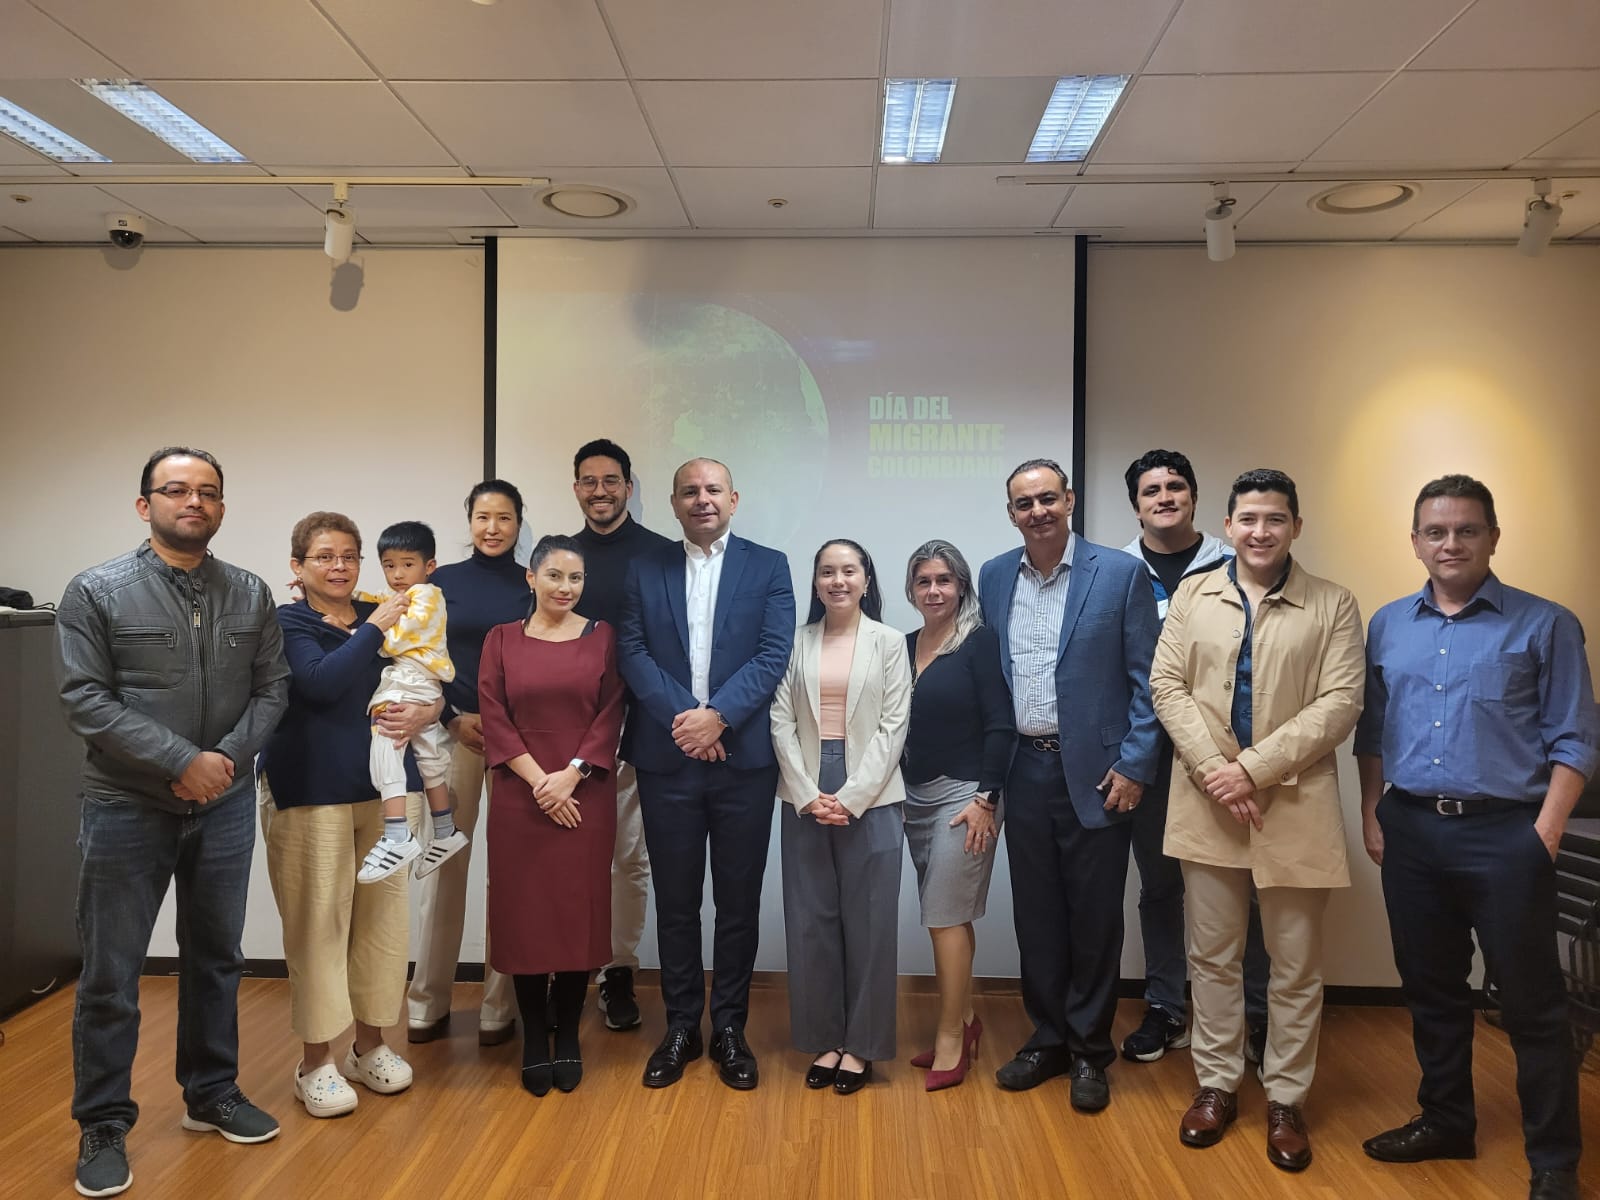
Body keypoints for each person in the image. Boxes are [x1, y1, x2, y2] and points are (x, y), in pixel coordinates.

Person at [1357, 474, 1598, 1200]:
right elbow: (1371, 730)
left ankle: (1554, 1160)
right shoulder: (1389, 624)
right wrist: (1373, 809)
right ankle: (1446, 1121)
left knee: (1531, 1003)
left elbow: (1577, 738)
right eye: (1436, 531)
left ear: (1494, 536)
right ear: (1415, 541)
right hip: (1412, 830)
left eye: (1466, 530)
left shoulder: (1545, 623)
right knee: (1431, 990)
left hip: (1507, 836)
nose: (1451, 543)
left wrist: (1545, 833)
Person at [57, 447, 290, 1198]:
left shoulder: (250, 593)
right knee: (112, 974)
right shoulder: (96, 591)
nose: (194, 501)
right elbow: (86, 698)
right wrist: (178, 761)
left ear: (222, 507)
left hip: (221, 805)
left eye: (209, 492)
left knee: (217, 957)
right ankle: (102, 1123)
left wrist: (219, 761)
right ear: (144, 504)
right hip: (127, 804)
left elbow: (272, 691)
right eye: (177, 490)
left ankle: (211, 1093)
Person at [1151, 469, 1364, 1173]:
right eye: (1248, 518)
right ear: (1229, 524)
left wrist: (1252, 770)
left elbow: (1339, 704)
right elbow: (1166, 685)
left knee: (1295, 968)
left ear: (1296, 526)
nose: (1261, 531)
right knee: (1211, 958)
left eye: (1275, 518)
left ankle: (1286, 1098)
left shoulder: (1332, 604)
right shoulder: (1193, 593)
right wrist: (1218, 769)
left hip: (1294, 807)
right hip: (1206, 802)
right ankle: (1216, 1086)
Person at [977, 458, 1161, 1112]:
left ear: (1070, 500)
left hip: (1098, 774)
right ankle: (1048, 1037)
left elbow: (1150, 681)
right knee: (1038, 915)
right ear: (1012, 514)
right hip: (1024, 769)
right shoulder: (995, 576)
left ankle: (1090, 1051)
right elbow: (992, 681)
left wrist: (1136, 764)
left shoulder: (1119, 573)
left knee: (1093, 918)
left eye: (1048, 499)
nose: (1038, 512)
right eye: (1024, 504)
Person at [618, 457, 795, 1090]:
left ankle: (729, 1028)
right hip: (669, 760)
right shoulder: (645, 568)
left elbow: (775, 652)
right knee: (676, 900)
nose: (702, 500)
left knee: (739, 901)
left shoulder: (768, 565)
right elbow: (632, 653)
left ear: (734, 498)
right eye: (690, 491)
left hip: (743, 759)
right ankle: (680, 1026)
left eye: (713, 489)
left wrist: (717, 717)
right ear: (672, 503)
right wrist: (688, 722)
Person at [261, 512, 437, 1121]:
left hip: (388, 794)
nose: (339, 568)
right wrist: (374, 628)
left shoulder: (379, 616)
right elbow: (318, 684)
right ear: (298, 567)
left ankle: (371, 1047)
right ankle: (316, 1062)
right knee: (318, 926)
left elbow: (427, 673)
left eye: (350, 556)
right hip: (311, 793)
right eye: (325, 557)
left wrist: (429, 708)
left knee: (383, 927)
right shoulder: (286, 622)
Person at [1119, 450, 1271, 1066]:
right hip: (1154, 761)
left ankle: (1254, 1015)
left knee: (1251, 889)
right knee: (1159, 888)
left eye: (1175, 486)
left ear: (1195, 496)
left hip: (1232, 760)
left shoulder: (1237, 560)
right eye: (1151, 490)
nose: (1164, 497)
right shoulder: (1116, 570)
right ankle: (1165, 1006)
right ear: (1137, 504)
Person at [478, 535, 625, 1095]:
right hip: (521, 796)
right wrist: (541, 781)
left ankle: (569, 1035)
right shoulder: (501, 640)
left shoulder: (603, 637)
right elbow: (492, 713)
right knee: (525, 915)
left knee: (575, 914)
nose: (566, 588)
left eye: (576, 578)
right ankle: (535, 1036)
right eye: (556, 576)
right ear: (531, 578)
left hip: (584, 793)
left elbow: (611, 713)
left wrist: (571, 775)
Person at [771, 539, 912, 1095]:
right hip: (803, 788)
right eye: (827, 572)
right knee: (810, 922)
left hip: (873, 793)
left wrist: (851, 797)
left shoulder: (889, 643)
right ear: (815, 581)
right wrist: (808, 793)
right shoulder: (795, 641)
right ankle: (824, 1039)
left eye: (848, 571)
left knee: (871, 924)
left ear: (865, 579)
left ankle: (863, 1046)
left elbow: (893, 725)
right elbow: (780, 720)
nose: (837, 581)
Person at [408, 480, 529, 1047]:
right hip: (452, 738)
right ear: (470, 520)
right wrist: (453, 717)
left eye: (504, 518)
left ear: (517, 523)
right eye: (483, 516)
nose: (492, 528)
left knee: (510, 874)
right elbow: (417, 655)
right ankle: (426, 1001)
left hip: (517, 747)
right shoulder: (441, 583)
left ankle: (497, 1008)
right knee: (443, 867)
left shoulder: (533, 584)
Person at [569, 438, 675, 1032]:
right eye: (589, 481)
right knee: (569, 856)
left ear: (629, 487)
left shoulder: (662, 555)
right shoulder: (561, 558)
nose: (600, 491)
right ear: (576, 487)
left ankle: (618, 972)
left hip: (640, 731)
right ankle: (564, 967)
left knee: (629, 860)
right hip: (565, 735)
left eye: (611, 480)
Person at [900, 540, 1014, 1092]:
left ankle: (950, 1039)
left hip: (966, 798)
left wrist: (986, 798)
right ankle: (967, 1021)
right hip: (912, 798)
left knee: (942, 917)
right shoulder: (901, 645)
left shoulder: (979, 642)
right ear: (911, 589)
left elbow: (1001, 724)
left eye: (944, 580)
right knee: (951, 916)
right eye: (923, 581)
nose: (934, 590)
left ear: (961, 586)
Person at [354, 521, 468, 884]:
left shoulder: (427, 596)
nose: (397, 574)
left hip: (413, 679)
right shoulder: (401, 596)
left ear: (429, 567)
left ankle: (397, 832)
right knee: (428, 756)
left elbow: (399, 636)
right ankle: (445, 829)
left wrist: (363, 634)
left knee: (386, 733)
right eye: (389, 565)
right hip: (422, 683)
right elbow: (372, 602)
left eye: (407, 564)